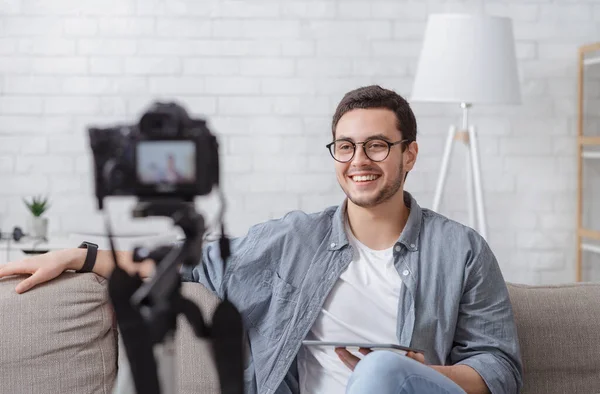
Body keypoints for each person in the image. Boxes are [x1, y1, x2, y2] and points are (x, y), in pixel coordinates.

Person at [0, 85, 522, 394]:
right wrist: (80, 254)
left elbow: (498, 363)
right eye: (345, 146)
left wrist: (432, 373)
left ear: (409, 154)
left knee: (385, 367)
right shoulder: (290, 240)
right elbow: (185, 264)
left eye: (378, 145)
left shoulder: (462, 250)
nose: (359, 161)